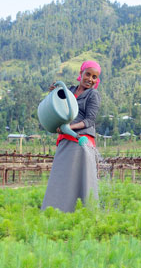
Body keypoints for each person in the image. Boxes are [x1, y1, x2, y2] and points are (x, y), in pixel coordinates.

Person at [41, 60, 102, 213]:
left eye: (94, 77)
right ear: (81, 74)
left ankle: (84, 212)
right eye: (88, 74)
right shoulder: (69, 90)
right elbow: (57, 106)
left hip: (80, 142)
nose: (90, 79)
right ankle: (55, 211)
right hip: (65, 139)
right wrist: (52, 92)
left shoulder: (93, 95)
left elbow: (89, 120)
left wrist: (69, 127)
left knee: (80, 179)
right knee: (61, 176)